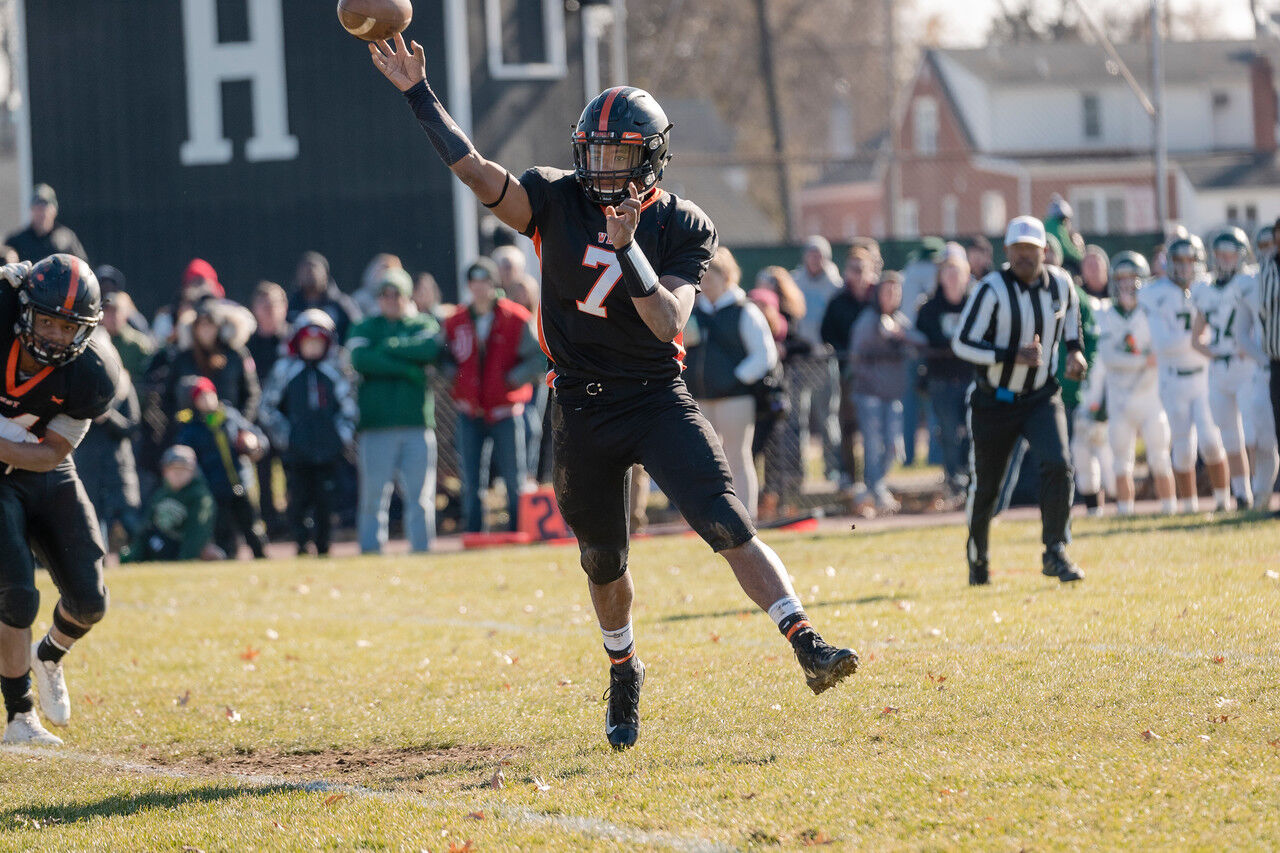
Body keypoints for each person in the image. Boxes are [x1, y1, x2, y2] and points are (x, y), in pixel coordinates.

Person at [368, 36, 858, 750]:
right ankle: (624, 667)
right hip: (580, 404)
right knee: (603, 560)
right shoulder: (554, 199)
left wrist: (629, 247)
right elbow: (476, 172)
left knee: (725, 518)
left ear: (651, 159)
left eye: (618, 154)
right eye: (592, 152)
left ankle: (806, 639)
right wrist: (419, 94)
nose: (600, 168)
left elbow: (667, 321)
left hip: (654, 394)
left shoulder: (681, 224)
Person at [0, 255, 121, 746]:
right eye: (45, 320)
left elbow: (51, 454)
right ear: (24, 310)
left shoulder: (94, 373)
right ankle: (19, 715)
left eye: (66, 326)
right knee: (17, 595)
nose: (52, 335)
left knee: (90, 600)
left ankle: (48, 655)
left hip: (40, 466)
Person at [951, 216, 1088, 585]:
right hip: (994, 400)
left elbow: (1072, 322)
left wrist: (1076, 352)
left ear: (1044, 251)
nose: (1026, 256)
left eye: (1032, 249)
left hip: (1041, 395)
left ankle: (1055, 550)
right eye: (1019, 250)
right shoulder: (992, 289)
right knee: (988, 487)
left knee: (1059, 465)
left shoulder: (1062, 285)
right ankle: (978, 558)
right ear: (1008, 252)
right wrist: (1011, 355)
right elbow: (962, 343)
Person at [443, 258, 543, 532]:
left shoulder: (515, 317)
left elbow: (539, 358)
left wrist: (513, 378)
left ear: (493, 284)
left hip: (505, 410)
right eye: (474, 283)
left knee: (514, 478)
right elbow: (445, 356)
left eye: (484, 282)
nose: (478, 289)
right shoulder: (456, 320)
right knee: (472, 480)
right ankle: (474, 533)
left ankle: (517, 530)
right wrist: (456, 377)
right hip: (470, 410)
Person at [347, 267, 443, 553]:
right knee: (373, 496)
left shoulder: (422, 323)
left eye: (396, 293)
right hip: (376, 425)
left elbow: (429, 349)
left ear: (407, 296)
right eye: (385, 294)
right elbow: (360, 359)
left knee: (420, 496)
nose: (390, 299)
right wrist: (407, 370)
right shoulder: (365, 326)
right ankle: (370, 550)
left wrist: (387, 347)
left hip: (416, 423)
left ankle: (422, 551)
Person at [684, 247, 779, 519]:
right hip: (701, 398)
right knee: (707, 461)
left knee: (737, 456)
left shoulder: (744, 311)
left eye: (710, 278)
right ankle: (711, 517)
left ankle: (745, 517)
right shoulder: (694, 311)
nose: (704, 284)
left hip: (735, 398)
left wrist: (733, 379)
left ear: (726, 277)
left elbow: (764, 355)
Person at [1140, 236, 1231, 512]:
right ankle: (1189, 505)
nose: (1184, 267)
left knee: (1212, 441)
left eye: (1189, 261)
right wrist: (1195, 337)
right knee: (1182, 446)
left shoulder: (1208, 288)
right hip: (1173, 377)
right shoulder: (1155, 292)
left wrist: (1195, 339)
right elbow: (1163, 344)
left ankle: (1223, 501)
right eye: (1178, 261)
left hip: (1204, 376)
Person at [260, 310, 358, 556]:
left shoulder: (336, 371)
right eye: (308, 342)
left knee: (325, 499)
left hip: (327, 451)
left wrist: (340, 436)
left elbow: (350, 408)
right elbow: (267, 407)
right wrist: (286, 436)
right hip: (297, 452)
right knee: (297, 499)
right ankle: (302, 543)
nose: (312, 347)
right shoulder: (285, 370)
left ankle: (324, 544)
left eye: (318, 342)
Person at [1096, 252, 1176, 515]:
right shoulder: (1107, 314)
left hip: (1150, 397)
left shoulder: (1152, 313)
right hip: (1120, 398)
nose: (1128, 286)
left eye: (1133, 280)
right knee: (1121, 462)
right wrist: (1143, 360)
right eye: (1122, 280)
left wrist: (1137, 359)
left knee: (1160, 458)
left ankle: (1170, 508)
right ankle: (1124, 511)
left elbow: (1161, 353)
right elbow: (1109, 357)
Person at [1192, 228, 1260, 508]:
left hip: (1245, 368)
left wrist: (1250, 348)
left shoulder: (1248, 283)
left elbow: (1261, 321)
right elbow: (1196, 338)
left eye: (1230, 254)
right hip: (1220, 369)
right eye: (1220, 254)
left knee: (1253, 435)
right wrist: (1216, 354)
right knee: (1229, 435)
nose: (1225, 259)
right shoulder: (1205, 289)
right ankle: (1242, 494)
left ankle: (1260, 489)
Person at [847, 272, 926, 513]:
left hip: (893, 395)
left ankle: (877, 485)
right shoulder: (867, 321)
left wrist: (900, 335)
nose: (892, 296)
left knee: (894, 446)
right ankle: (874, 490)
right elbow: (856, 355)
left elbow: (921, 340)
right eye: (887, 290)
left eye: (896, 291)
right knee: (872, 445)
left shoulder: (899, 320)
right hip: (869, 394)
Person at [173, 376, 269, 559]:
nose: (208, 400)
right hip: (216, 488)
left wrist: (255, 444)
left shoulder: (230, 416)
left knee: (252, 525)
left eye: (210, 395)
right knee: (223, 529)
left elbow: (256, 436)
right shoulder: (192, 429)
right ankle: (229, 558)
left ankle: (261, 555)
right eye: (201, 397)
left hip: (241, 481)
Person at [915, 243, 973, 501]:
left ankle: (973, 479)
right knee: (948, 432)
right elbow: (928, 339)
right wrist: (952, 345)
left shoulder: (975, 304)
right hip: (941, 381)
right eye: (946, 270)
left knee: (973, 432)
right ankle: (954, 481)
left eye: (955, 270)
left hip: (971, 379)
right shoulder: (929, 308)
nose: (951, 275)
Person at [821, 245, 878, 500]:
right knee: (849, 425)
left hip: (878, 372)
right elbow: (827, 333)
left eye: (861, 269)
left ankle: (874, 477)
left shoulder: (876, 299)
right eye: (853, 269)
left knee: (874, 427)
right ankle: (850, 476)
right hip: (848, 373)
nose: (857, 274)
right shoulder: (838, 301)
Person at [791, 236, 843, 485]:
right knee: (796, 419)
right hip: (799, 360)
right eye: (811, 253)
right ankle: (797, 473)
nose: (815, 258)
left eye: (820, 254)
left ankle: (832, 470)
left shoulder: (835, 284)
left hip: (824, 359)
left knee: (827, 418)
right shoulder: (794, 281)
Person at [1066, 246, 1113, 516]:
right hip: (1089, 384)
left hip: (1120, 383)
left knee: (1112, 450)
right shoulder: (1079, 301)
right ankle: (1095, 507)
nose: (1093, 269)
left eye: (1098, 264)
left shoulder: (1116, 302)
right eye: (1088, 264)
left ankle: (1123, 505)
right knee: (1082, 446)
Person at [74, 371, 142, 548]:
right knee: (89, 517)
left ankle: (118, 556)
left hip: (117, 466)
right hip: (87, 466)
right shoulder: (79, 387)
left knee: (121, 521)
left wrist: (107, 416)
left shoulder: (125, 386)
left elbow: (132, 426)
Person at [119, 445, 219, 563]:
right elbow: (146, 527)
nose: (178, 474)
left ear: (193, 472)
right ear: (165, 471)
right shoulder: (161, 494)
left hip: (185, 546)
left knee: (211, 552)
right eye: (173, 469)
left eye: (183, 469)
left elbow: (197, 532)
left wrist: (184, 559)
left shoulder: (200, 496)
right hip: (162, 544)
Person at [246, 281, 291, 536]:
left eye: (274, 305)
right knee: (262, 475)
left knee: (292, 472)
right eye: (263, 306)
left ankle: (294, 523)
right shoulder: (248, 344)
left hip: (288, 418)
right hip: (259, 420)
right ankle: (270, 526)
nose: (269, 311)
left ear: (284, 307)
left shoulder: (293, 340)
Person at [287, 251, 361, 343]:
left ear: (326, 273)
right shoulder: (289, 305)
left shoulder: (342, 304)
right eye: (305, 270)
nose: (310, 273)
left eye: (314, 268)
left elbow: (357, 329)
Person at [3, 185, 87, 264]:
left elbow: (83, 269)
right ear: (31, 210)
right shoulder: (16, 242)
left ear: (54, 210)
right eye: (38, 208)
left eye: (45, 208)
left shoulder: (67, 239)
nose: (42, 213)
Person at [101, 291, 155, 380]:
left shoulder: (140, 345)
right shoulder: (94, 341)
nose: (112, 316)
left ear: (125, 314)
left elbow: (147, 379)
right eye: (108, 311)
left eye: (116, 311)